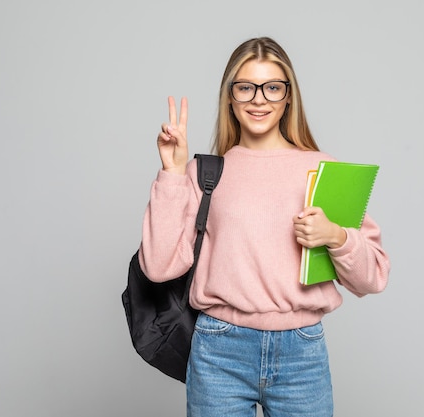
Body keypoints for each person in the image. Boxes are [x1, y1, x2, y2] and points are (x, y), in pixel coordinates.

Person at [139, 36, 390, 417]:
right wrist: (172, 174)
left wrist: (337, 238)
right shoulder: (206, 173)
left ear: (289, 97)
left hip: (301, 353)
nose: (259, 99)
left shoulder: (322, 170)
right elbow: (158, 267)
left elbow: (373, 278)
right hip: (219, 349)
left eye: (272, 87)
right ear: (230, 96)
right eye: (246, 87)